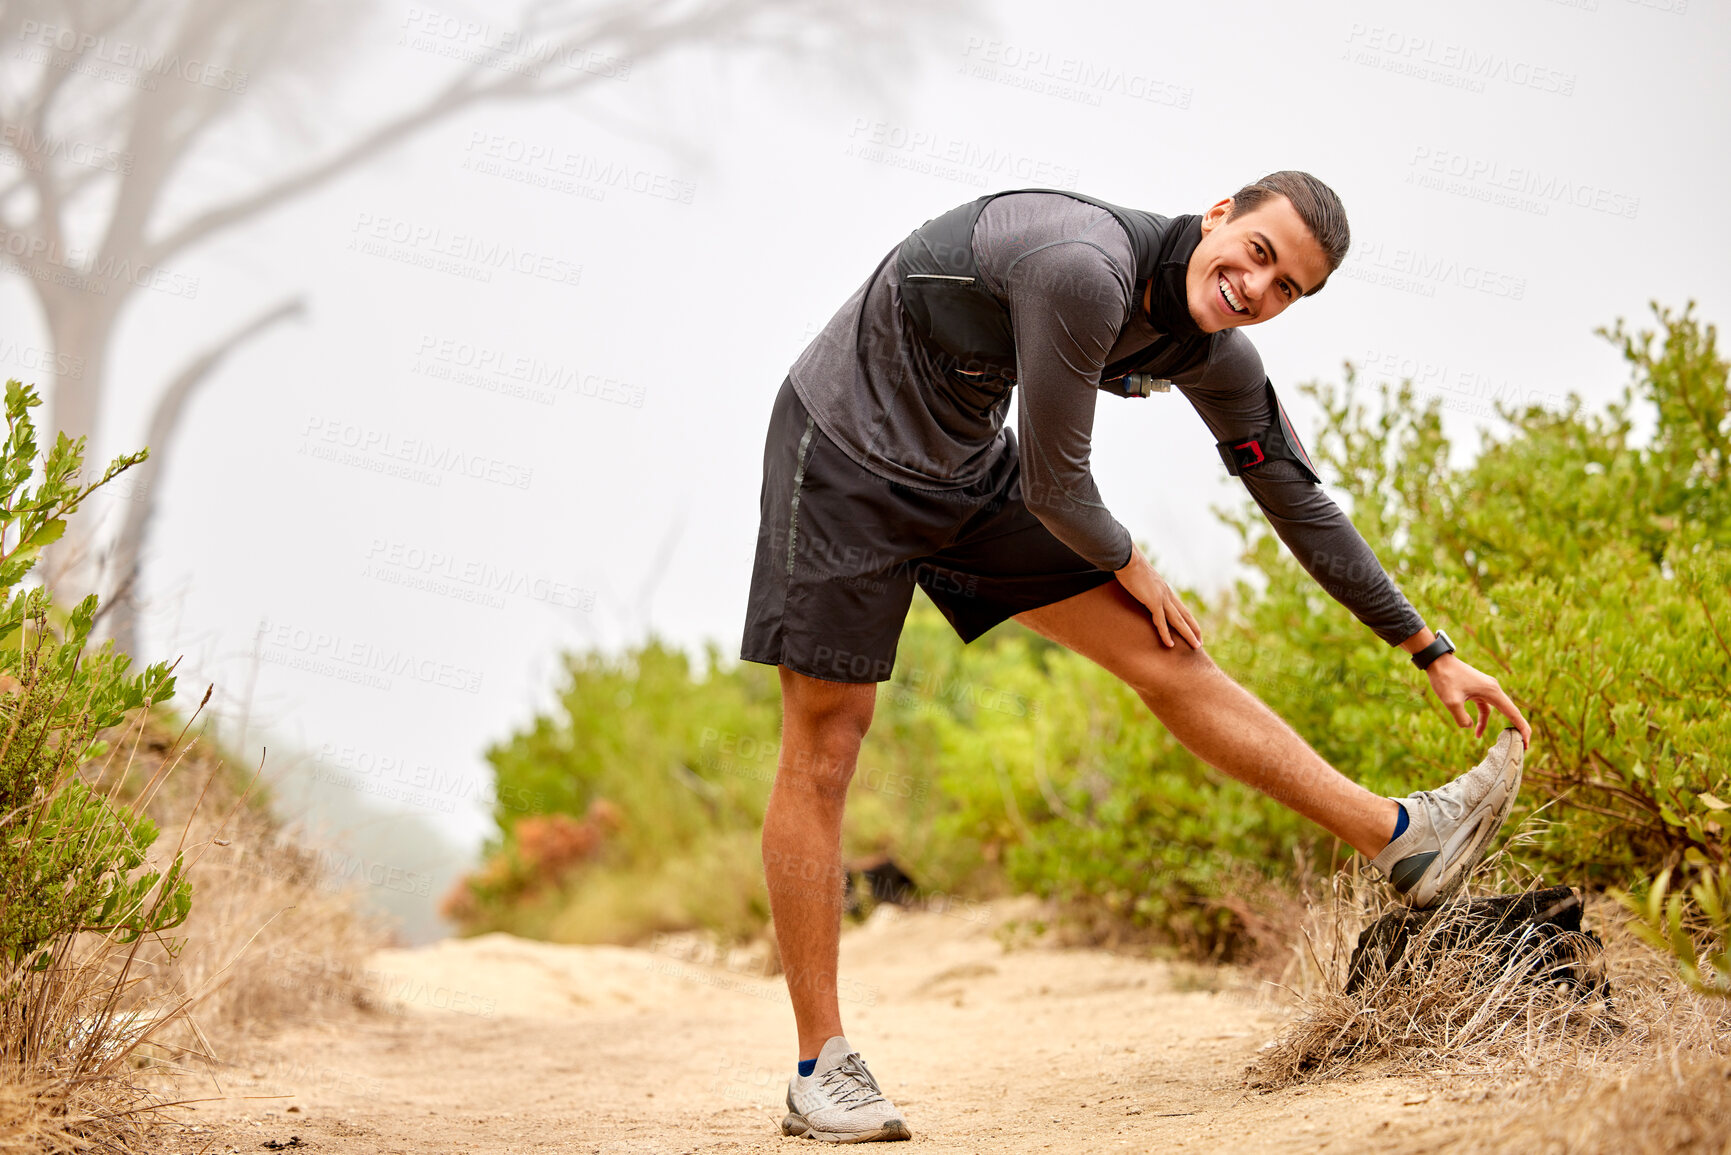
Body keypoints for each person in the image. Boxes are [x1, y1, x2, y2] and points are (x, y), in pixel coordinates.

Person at [739, 173, 1532, 1143]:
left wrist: (1429, 648)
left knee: (1168, 651)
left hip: (972, 470)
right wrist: (1131, 561)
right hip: (849, 457)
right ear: (1217, 217)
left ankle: (1402, 838)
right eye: (1258, 252)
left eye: (1289, 288)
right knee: (829, 741)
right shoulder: (1082, 269)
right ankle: (822, 1066)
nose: (1258, 287)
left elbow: (1298, 498)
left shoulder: (1213, 351)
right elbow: (1058, 481)